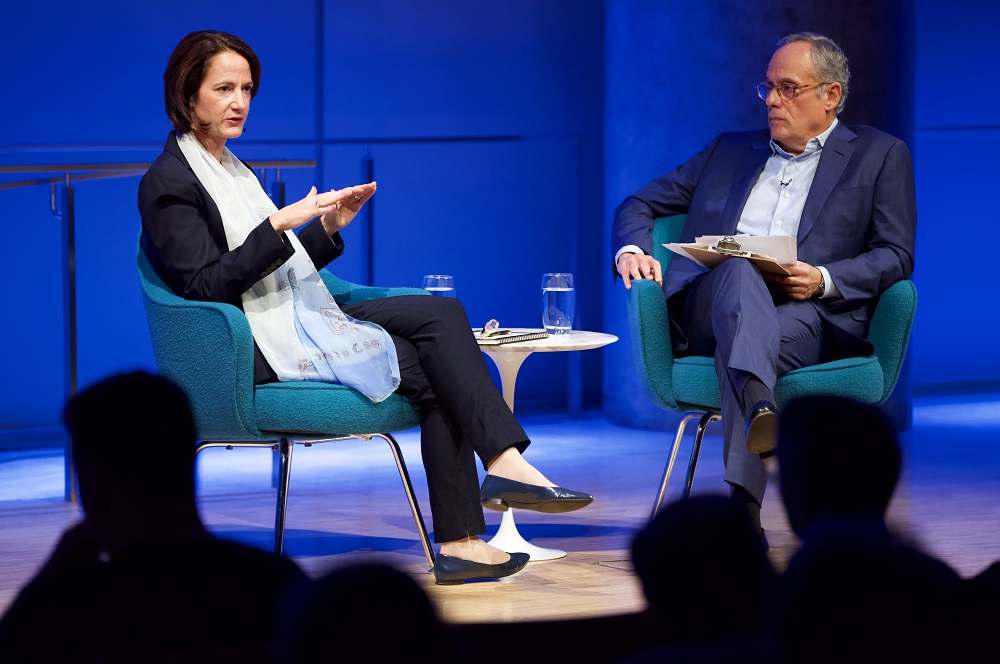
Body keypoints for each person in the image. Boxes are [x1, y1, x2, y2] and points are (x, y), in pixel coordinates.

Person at [138, 30, 592, 585]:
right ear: (188, 98)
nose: (240, 102)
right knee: (434, 368)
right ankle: (466, 531)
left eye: (248, 89)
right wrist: (279, 224)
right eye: (224, 88)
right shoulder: (167, 182)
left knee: (444, 318)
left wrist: (326, 229)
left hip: (298, 316)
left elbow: (277, 271)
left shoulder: (235, 169)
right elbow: (205, 286)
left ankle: (493, 481)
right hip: (246, 346)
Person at [611, 32, 916, 537]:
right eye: (768, 87)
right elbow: (638, 204)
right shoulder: (728, 151)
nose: (773, 100)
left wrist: (823, 279)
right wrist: (632, 249)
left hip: (806, 314)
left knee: (750, 349)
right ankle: (761, 411)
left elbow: (896, 254)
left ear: (831, 95)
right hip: (711, 308)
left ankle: (744, 511)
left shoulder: (880, 155)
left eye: (789, 88)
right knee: (736, 267)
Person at [0, 371, 309, 662]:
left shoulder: (68, 608)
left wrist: (45, 583)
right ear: (188, 462)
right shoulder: (277, 585)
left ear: (94, 482)